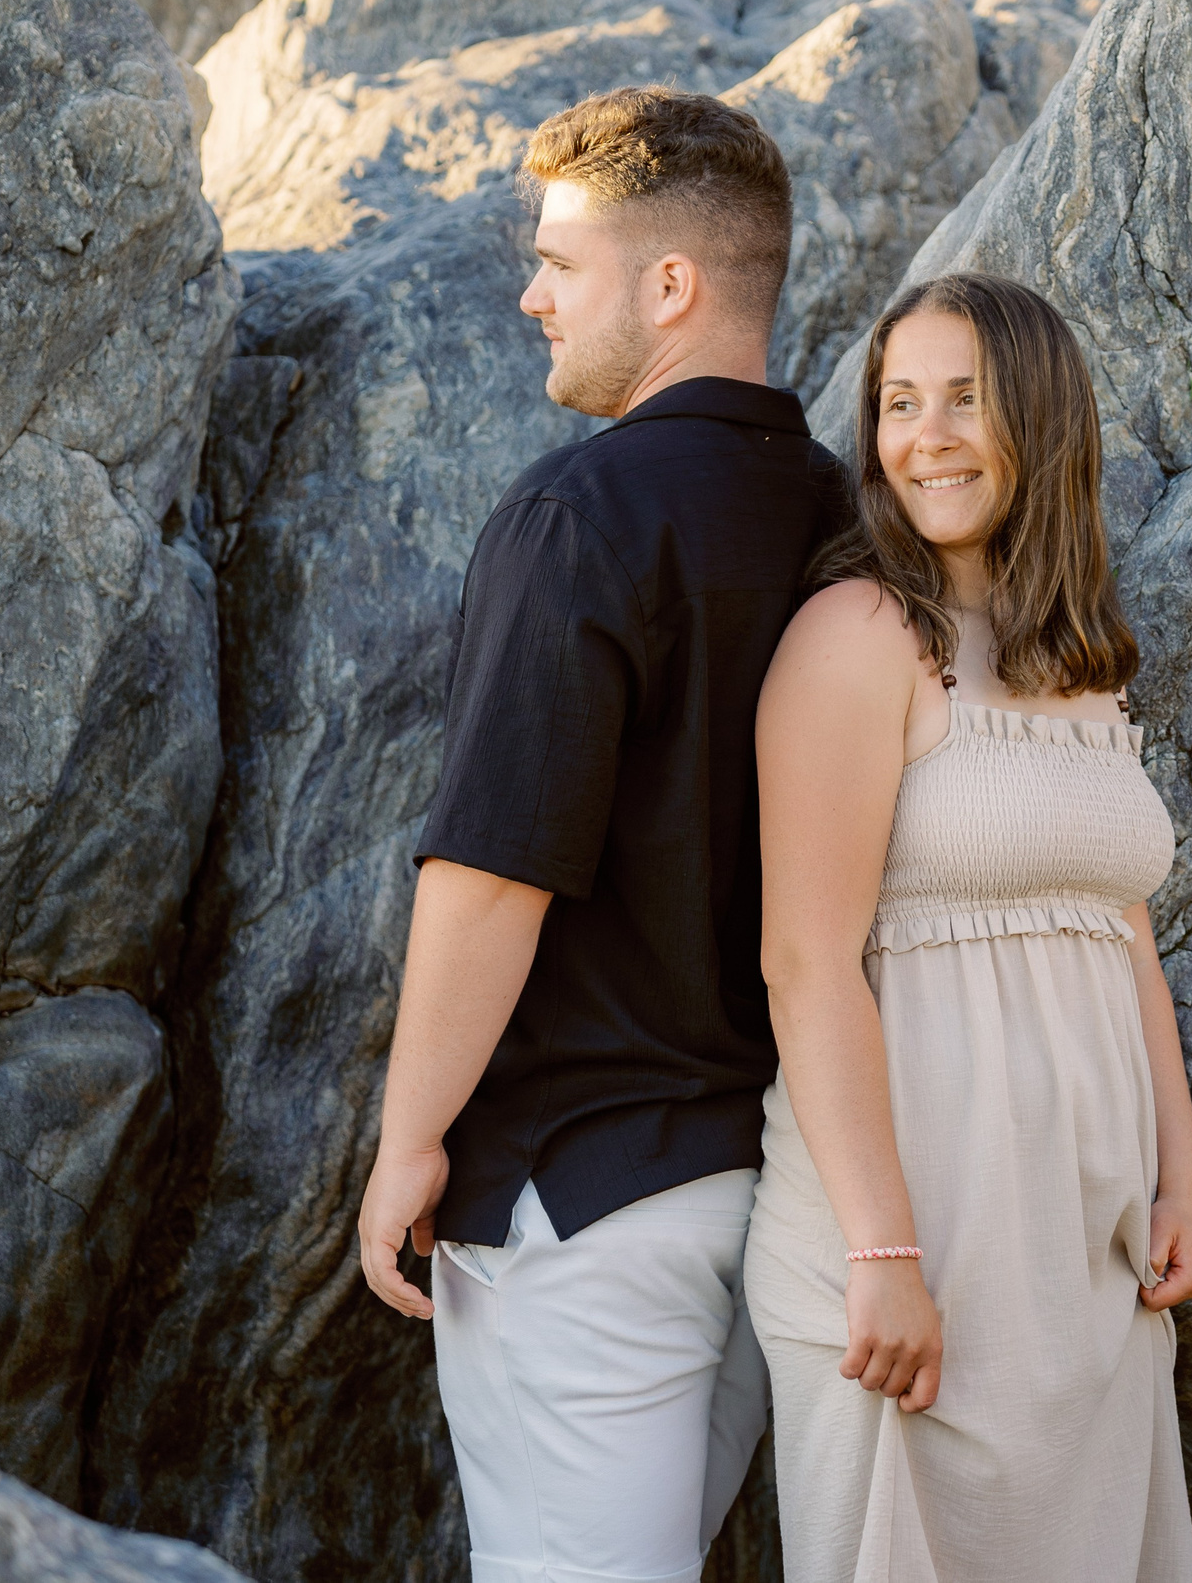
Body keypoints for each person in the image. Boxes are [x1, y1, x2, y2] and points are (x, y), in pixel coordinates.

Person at [353, 86, 853, 1583]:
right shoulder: (850, 518)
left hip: (587, 1202)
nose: (529, 295)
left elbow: (497, 870)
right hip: (784, 1190)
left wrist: (405, 1142)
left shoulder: (579, 515)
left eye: (561, 263)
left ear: (672, 286)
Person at [745, 272, 1192, 1581]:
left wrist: (1181, 1170)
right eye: (900, 403)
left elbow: (1115, 923)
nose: (927, 434)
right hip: (909, 1236)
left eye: (966, 400)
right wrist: (881, 1255)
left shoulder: (1081, 658)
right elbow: (805, 962)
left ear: (1044, 424)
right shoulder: (855, 636)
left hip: (1084, 1248)